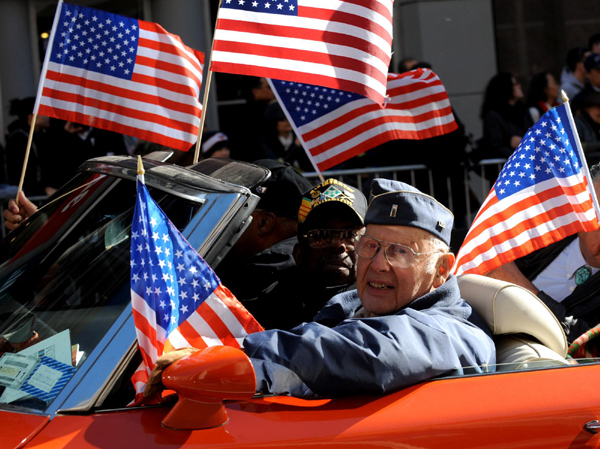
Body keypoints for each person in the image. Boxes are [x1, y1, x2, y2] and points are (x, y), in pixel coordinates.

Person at [145, 179, 495, 399]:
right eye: (370, 245)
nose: (378, 264)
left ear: (442, 270)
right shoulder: (349, 303)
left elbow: (365, 351)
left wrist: (235, 355)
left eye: (400, 252)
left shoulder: (451, 333)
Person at [486, 163, 600, 342]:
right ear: (578, 210)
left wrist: (524, 290)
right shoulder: (541, 235)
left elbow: (586, 341)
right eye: (598, 214)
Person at [241, 178, 368, 330]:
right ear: (299, 253)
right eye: (321, 235)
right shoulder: (268, 305)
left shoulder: (379, 304)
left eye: (350, 235)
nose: (337, 244)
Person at [216, 159, 313, 304]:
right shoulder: (309, 258)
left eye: (231, 212)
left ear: (264, 223)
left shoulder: (261, 276)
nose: (220, 221)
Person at [477, 73, 533, 160]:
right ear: (505, 88)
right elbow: (494, 147)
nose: (519, 86)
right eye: (515, 84)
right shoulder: (493, 116)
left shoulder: (523, 112)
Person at [4, 97, 51, 196]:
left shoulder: (41, 136)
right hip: (28, 196)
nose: (48, 116)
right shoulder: (19, 139)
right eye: (43, 112)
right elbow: (22, 174)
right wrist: (44, 189)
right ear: (31, 116)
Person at [262, 102, 313, 171]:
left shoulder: (299, 136)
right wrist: (295, 146)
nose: (287, 122)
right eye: (283, 119)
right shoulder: (268, 142)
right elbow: (278, 165)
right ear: (274, 122)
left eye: (289, 118)